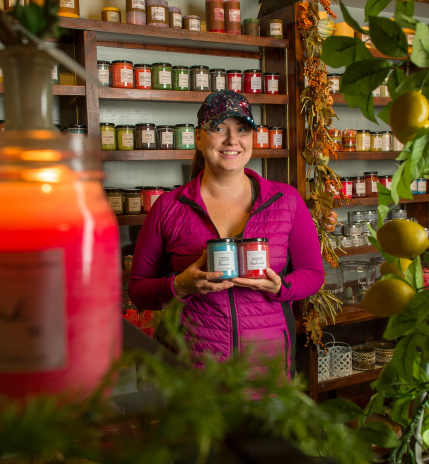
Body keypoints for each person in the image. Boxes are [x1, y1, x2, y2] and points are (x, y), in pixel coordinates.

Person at [128, 90, 324, 374]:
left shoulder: (286, 200)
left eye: (242, 129)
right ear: (198, 138)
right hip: (194, 373)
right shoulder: (168, 207)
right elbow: (139, 291)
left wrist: (281, 287)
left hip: (267, 371)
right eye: (218, 128)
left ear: (252, 138)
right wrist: (180, 285)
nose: (232, 140)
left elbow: (313, 275)